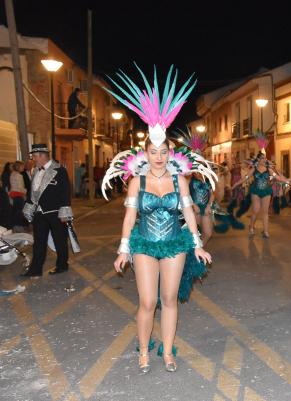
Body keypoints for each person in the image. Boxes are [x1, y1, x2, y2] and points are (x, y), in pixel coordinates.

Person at [105, 64, 214, 374]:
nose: (158, 157)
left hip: (174, 243)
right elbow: (129, 217)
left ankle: (167, 351)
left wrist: (197, 245)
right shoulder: (136, 181)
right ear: (145, 153)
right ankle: (143, 350)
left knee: (169, 298)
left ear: (169, 153)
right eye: (153, 152)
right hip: (143, 243)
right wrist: (123, 248)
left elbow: (190, 214)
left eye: (163, 151)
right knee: (147, 301)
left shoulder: (180, 180)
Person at [21, 144, 73, 277]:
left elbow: (65, 192)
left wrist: (64, 211)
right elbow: (32, 192)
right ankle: (35, 269)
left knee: (60, 240)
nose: (33, 159)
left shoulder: (59, 170)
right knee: (38, 242)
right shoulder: (35, 171)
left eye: (35, 156)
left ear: (42, 155)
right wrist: (28, 207)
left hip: (55, 212)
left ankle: (62, 265)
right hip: (39, 212)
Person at [232, 152, 291, 238]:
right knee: (256, 211)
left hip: (266, 191)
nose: (265, 160)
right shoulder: (254, 169)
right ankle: (251, 227)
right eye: (263, 158)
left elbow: (277, 177)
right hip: (256, 191)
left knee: (265, 212)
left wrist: (286, 181)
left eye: (265, 158)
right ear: (259, 160)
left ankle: (266, 231)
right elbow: (246, 177)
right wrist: (237, 183)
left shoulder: (269, 169)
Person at [9, 161, 27, 231]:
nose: (23, 167)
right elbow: (20, 187)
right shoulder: (19, 175)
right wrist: (26, 192)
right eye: (22, 166)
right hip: (18, 194)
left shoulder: (12, 174)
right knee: (19, 212)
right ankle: (18, 226)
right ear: (18, 167)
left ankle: (14, 226)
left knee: (15, 211)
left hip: (13, 194)